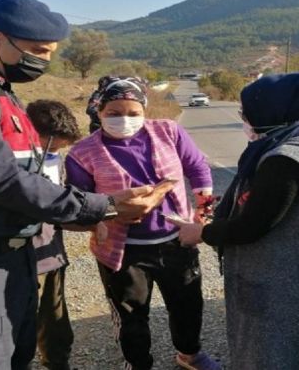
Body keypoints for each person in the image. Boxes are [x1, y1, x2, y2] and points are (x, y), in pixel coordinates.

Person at [0, 0, 170, 370]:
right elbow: (2, 180)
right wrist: (106, 206)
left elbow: (29, 179)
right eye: (37, 50)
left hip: (11, 261)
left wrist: (100, 209)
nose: (44, 61)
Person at [173, 72, 299, 370]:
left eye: (248, 110)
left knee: (272, 354)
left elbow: (252, 226)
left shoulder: (285, 159)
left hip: (279, 284)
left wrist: (201, 232)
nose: (244, 117)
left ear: (271, 110)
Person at [65, 76, 221, 370]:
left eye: (133, 113)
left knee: (187, 305)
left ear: (144, 111)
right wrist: (94, 222)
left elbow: (197, 166)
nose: (124, 119)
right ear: (99, 112)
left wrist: (204, 206)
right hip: (123, 251)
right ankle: (137, 364)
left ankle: (189, 355)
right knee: (131, 315)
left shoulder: (168, 132)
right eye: (114, 113)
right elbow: (80, 201)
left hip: (176, 240)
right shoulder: (82, 153)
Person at [26, 99, 82, 370]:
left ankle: (57, 362)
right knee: (18, 318)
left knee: (54, 317)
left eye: (58, 150)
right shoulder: (2, 158)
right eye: (51, 147)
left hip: (50, 252)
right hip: (14, 254)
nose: (53, 154)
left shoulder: (56, 159)